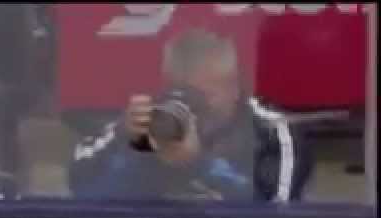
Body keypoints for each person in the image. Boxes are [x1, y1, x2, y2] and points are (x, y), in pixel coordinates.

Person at [69, 28, 312, 203]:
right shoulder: (148, 122)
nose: (196, 107)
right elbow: (82, 194)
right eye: (184, 93)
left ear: (234, 89)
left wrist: (198, 164)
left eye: (205, 95)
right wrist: (132, 145)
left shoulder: (274, 134)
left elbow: (276, 211)